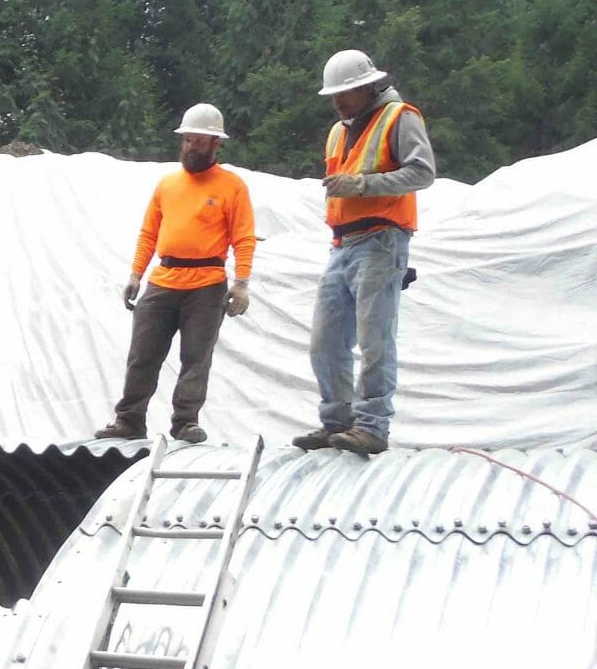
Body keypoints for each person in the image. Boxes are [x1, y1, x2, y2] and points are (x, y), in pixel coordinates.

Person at [294, 49, 436, 456]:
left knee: (375, 339)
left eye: (345, 93)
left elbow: (422, 172)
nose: (338, 101)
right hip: (342, 244)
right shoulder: (339, 131)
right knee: (325, 341)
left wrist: (362, 185)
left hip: (382, 240)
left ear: (368, 87)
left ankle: (372, 425)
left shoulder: (400, 117)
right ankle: (337, 422)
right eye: (334, 95)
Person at [95, 104, 256, 444]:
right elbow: (149, 233)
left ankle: (185, 422)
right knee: (143, 353)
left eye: (198, 141)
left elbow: (243, 237)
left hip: (208, 284)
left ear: (215, 144)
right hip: (163, 279)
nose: (190, 147)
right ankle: (129, 419)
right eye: (187, 140)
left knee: (196, 357)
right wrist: (136, 274)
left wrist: (241, 283)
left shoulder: (232, 187)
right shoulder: (167, 185)